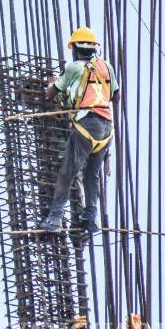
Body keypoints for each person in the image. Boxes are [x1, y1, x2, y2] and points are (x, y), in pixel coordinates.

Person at [36, 26, 120, 234]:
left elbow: (51, 93)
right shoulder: (106, 67)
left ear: (75, 49)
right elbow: (116, 97)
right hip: (107, 129)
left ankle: (55, 218)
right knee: (92, 175)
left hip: (87, 126)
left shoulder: (73, 68)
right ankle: (90, 219)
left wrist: (53, 84)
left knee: (68, 172)